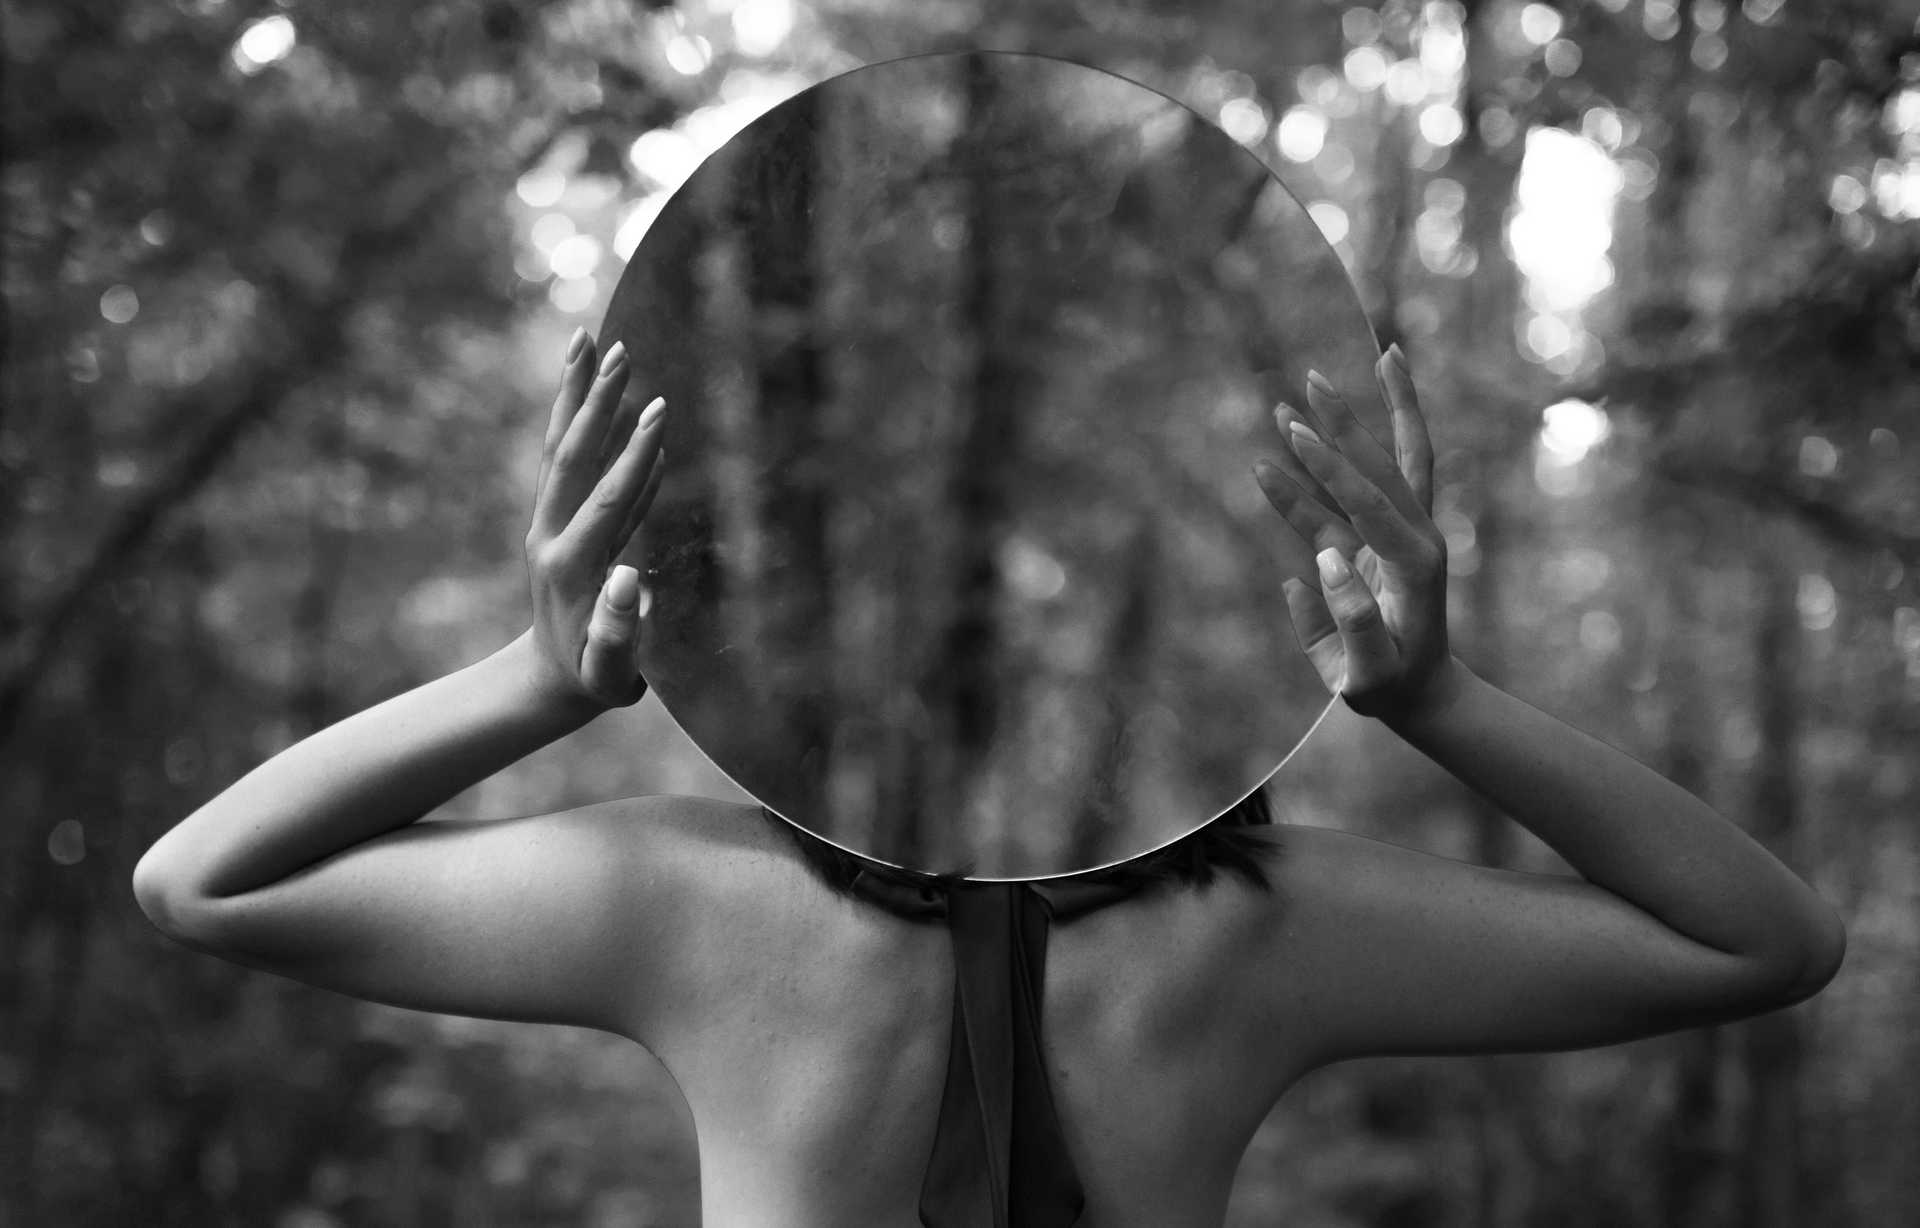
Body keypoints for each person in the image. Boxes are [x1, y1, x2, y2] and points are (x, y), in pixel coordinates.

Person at [133, 332, 1845, 1228]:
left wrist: (529, 685)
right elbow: (1762, 944)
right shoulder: (1268, 933)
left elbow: (200, 880)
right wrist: (1442, 701)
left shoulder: (683, 901)